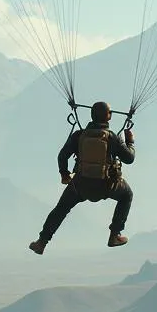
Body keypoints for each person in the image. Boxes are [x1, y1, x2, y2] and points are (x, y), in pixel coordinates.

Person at [29, 101, 135, 254]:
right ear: (108, 117)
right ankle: (114, 235)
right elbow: (129, 158)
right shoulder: (112, 137)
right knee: (127, 195)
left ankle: (41, 243)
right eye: (110, 112)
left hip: (80, 185)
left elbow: (62, 156)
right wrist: (130, 141)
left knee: (61, 209)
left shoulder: (79, 136)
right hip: (106, 186)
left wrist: (64, 174)